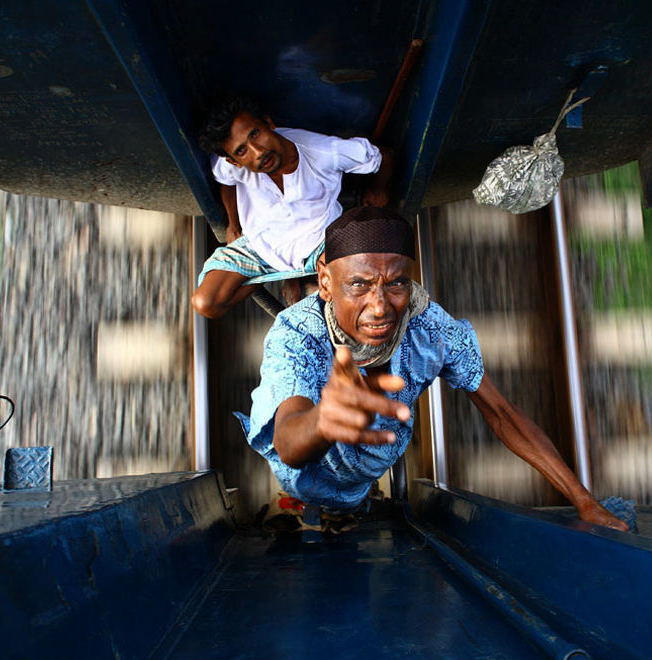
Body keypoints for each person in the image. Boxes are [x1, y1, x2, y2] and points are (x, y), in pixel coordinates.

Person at [238, 205, 629, 531]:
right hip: (304, 478)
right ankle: (303, 504)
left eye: (396, 284)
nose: (380, 307)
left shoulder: (433, 328)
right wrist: (323, 421)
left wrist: (584, 501)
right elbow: (289, 442)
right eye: (358, 285)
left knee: (354, 489)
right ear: (324, 280)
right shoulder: (295, 333)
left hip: (366, 472)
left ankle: (355, 501)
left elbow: (502, 412)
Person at [193, 97, 392, 318]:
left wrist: (378, 190)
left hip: (319, 240)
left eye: (255, 134)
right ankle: (285, 274)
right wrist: (233, 224)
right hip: (262, 244)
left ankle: (303, 286)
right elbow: (226, 182)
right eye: (242, 151)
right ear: (235, 161)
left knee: (349, 293)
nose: (257, 151)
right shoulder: (230, 166)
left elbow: (383, 156)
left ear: (269, 124)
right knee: (206, 304)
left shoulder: (323, 152)